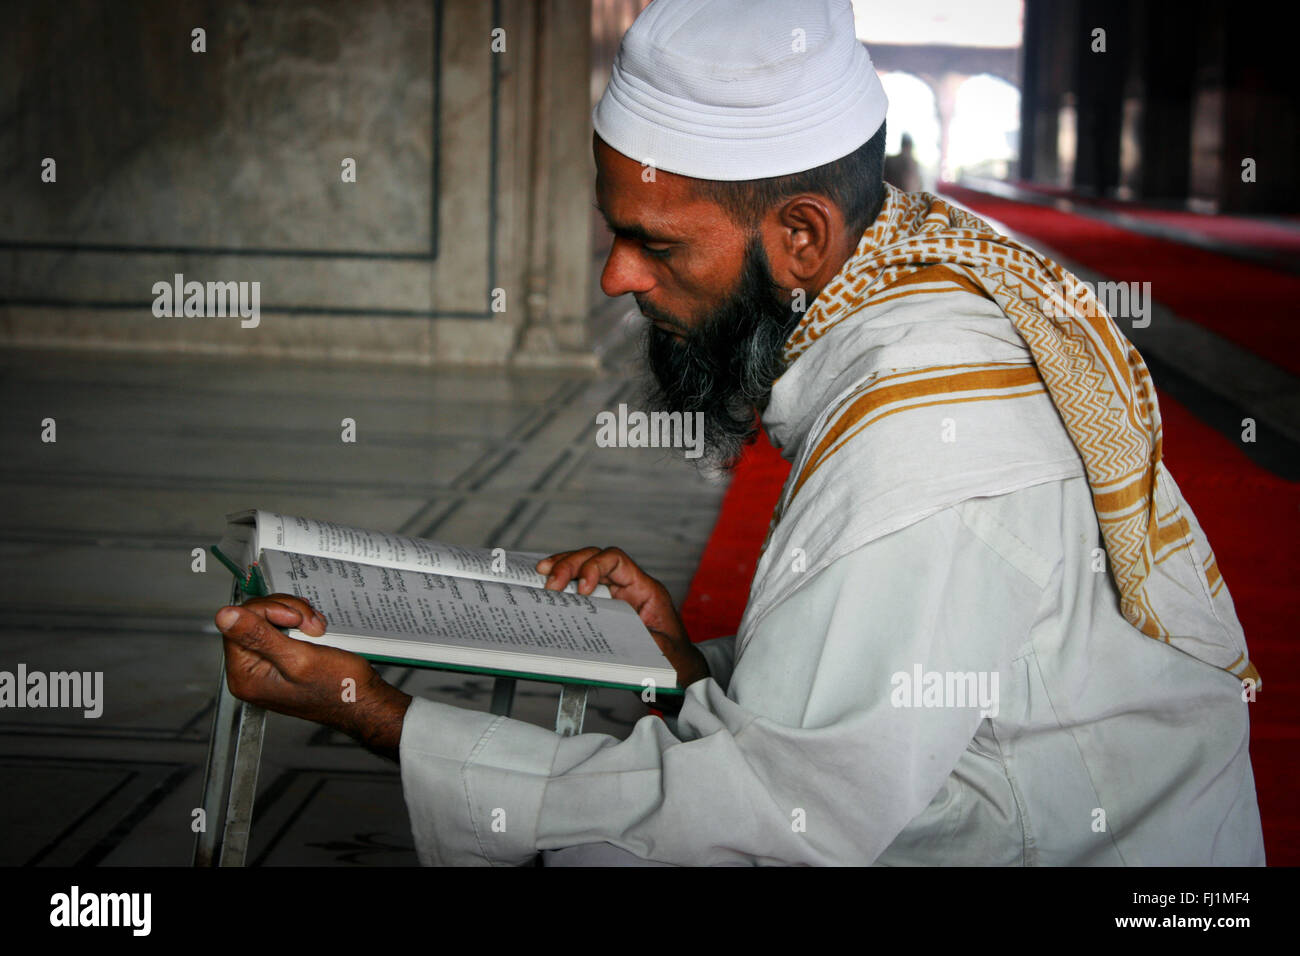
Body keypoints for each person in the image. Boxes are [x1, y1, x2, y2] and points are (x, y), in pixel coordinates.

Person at [215, 0, 1265, 866]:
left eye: (652, 242)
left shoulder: (928, 434)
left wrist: (381, 715)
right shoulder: (887, 294)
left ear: (802, 236)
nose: (616, 276)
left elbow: (769, 820)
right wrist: (688, 665)